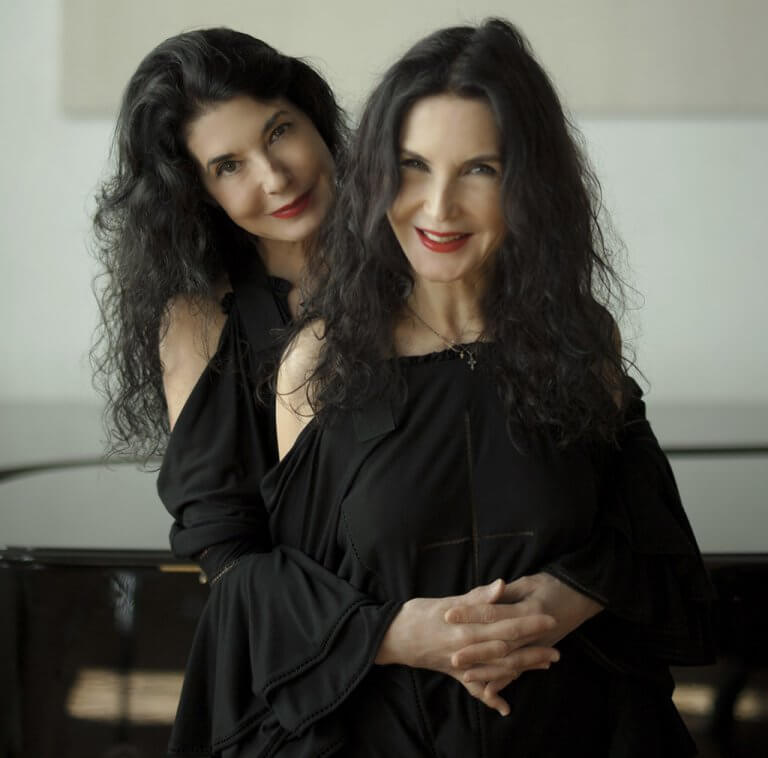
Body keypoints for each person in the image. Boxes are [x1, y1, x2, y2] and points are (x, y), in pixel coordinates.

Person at [91, 27, 572, 756]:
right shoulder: (199, 320)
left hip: (491, 672)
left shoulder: (427, 242)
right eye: (228, 165)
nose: (275, 177)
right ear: (197, 192)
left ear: (317, 119)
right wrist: (391, 634)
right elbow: (231, 556)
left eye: (278, 132)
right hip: (319, 676)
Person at [268, 18, 714, 757]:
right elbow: (287, 610)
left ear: (528, 183)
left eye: (479, 169)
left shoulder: (582, 340)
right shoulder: (318, 365)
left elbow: (647, 535)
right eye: (412, 166)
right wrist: (399, 635)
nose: (438, 207)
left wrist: (573, 596)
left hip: (577, 733)